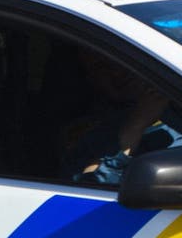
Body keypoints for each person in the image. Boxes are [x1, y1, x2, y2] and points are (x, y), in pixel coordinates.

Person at [60, 50, 168, 184]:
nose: (117, 72)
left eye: (121, 62)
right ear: (89, 77)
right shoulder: (88, 132)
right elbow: (92, 189)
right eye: (102, 67)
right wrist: (137, 124)